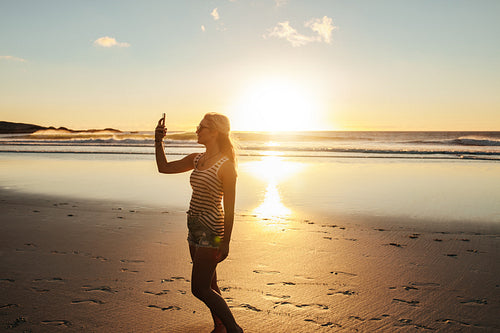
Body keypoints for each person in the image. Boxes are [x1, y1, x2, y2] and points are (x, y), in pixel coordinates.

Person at [155, 113, 243, 333]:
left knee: (200, 288)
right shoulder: (197, 159)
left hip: (212, 231)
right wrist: (158, 141)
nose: (196, 130)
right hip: (193, 228)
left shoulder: (226, 166)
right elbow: (164, 168)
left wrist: (226, 242)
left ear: (214, 132)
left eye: (201, 127)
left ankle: (234, 329)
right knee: (210, 284)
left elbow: (230, 209)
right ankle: (220, 326)